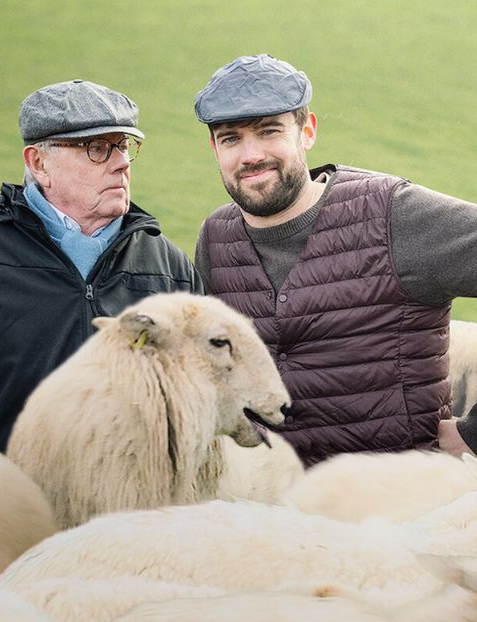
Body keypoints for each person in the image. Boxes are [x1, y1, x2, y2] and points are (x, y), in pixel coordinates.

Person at [0, 79, 203, 452]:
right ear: (39, 163)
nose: (121, 164)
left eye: (124, 146)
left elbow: (199, 390)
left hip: (130, 504)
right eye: (97, 149)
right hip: (6, 496)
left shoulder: (169, 266)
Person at [194, 54, 477, 466]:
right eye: (230, 138)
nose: (250, 154)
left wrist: (473, 436)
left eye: (269, 131)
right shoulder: (215, 239)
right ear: (214, 147)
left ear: (306, 132)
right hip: (263, 516)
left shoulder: (392, 214)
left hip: (394, 513)